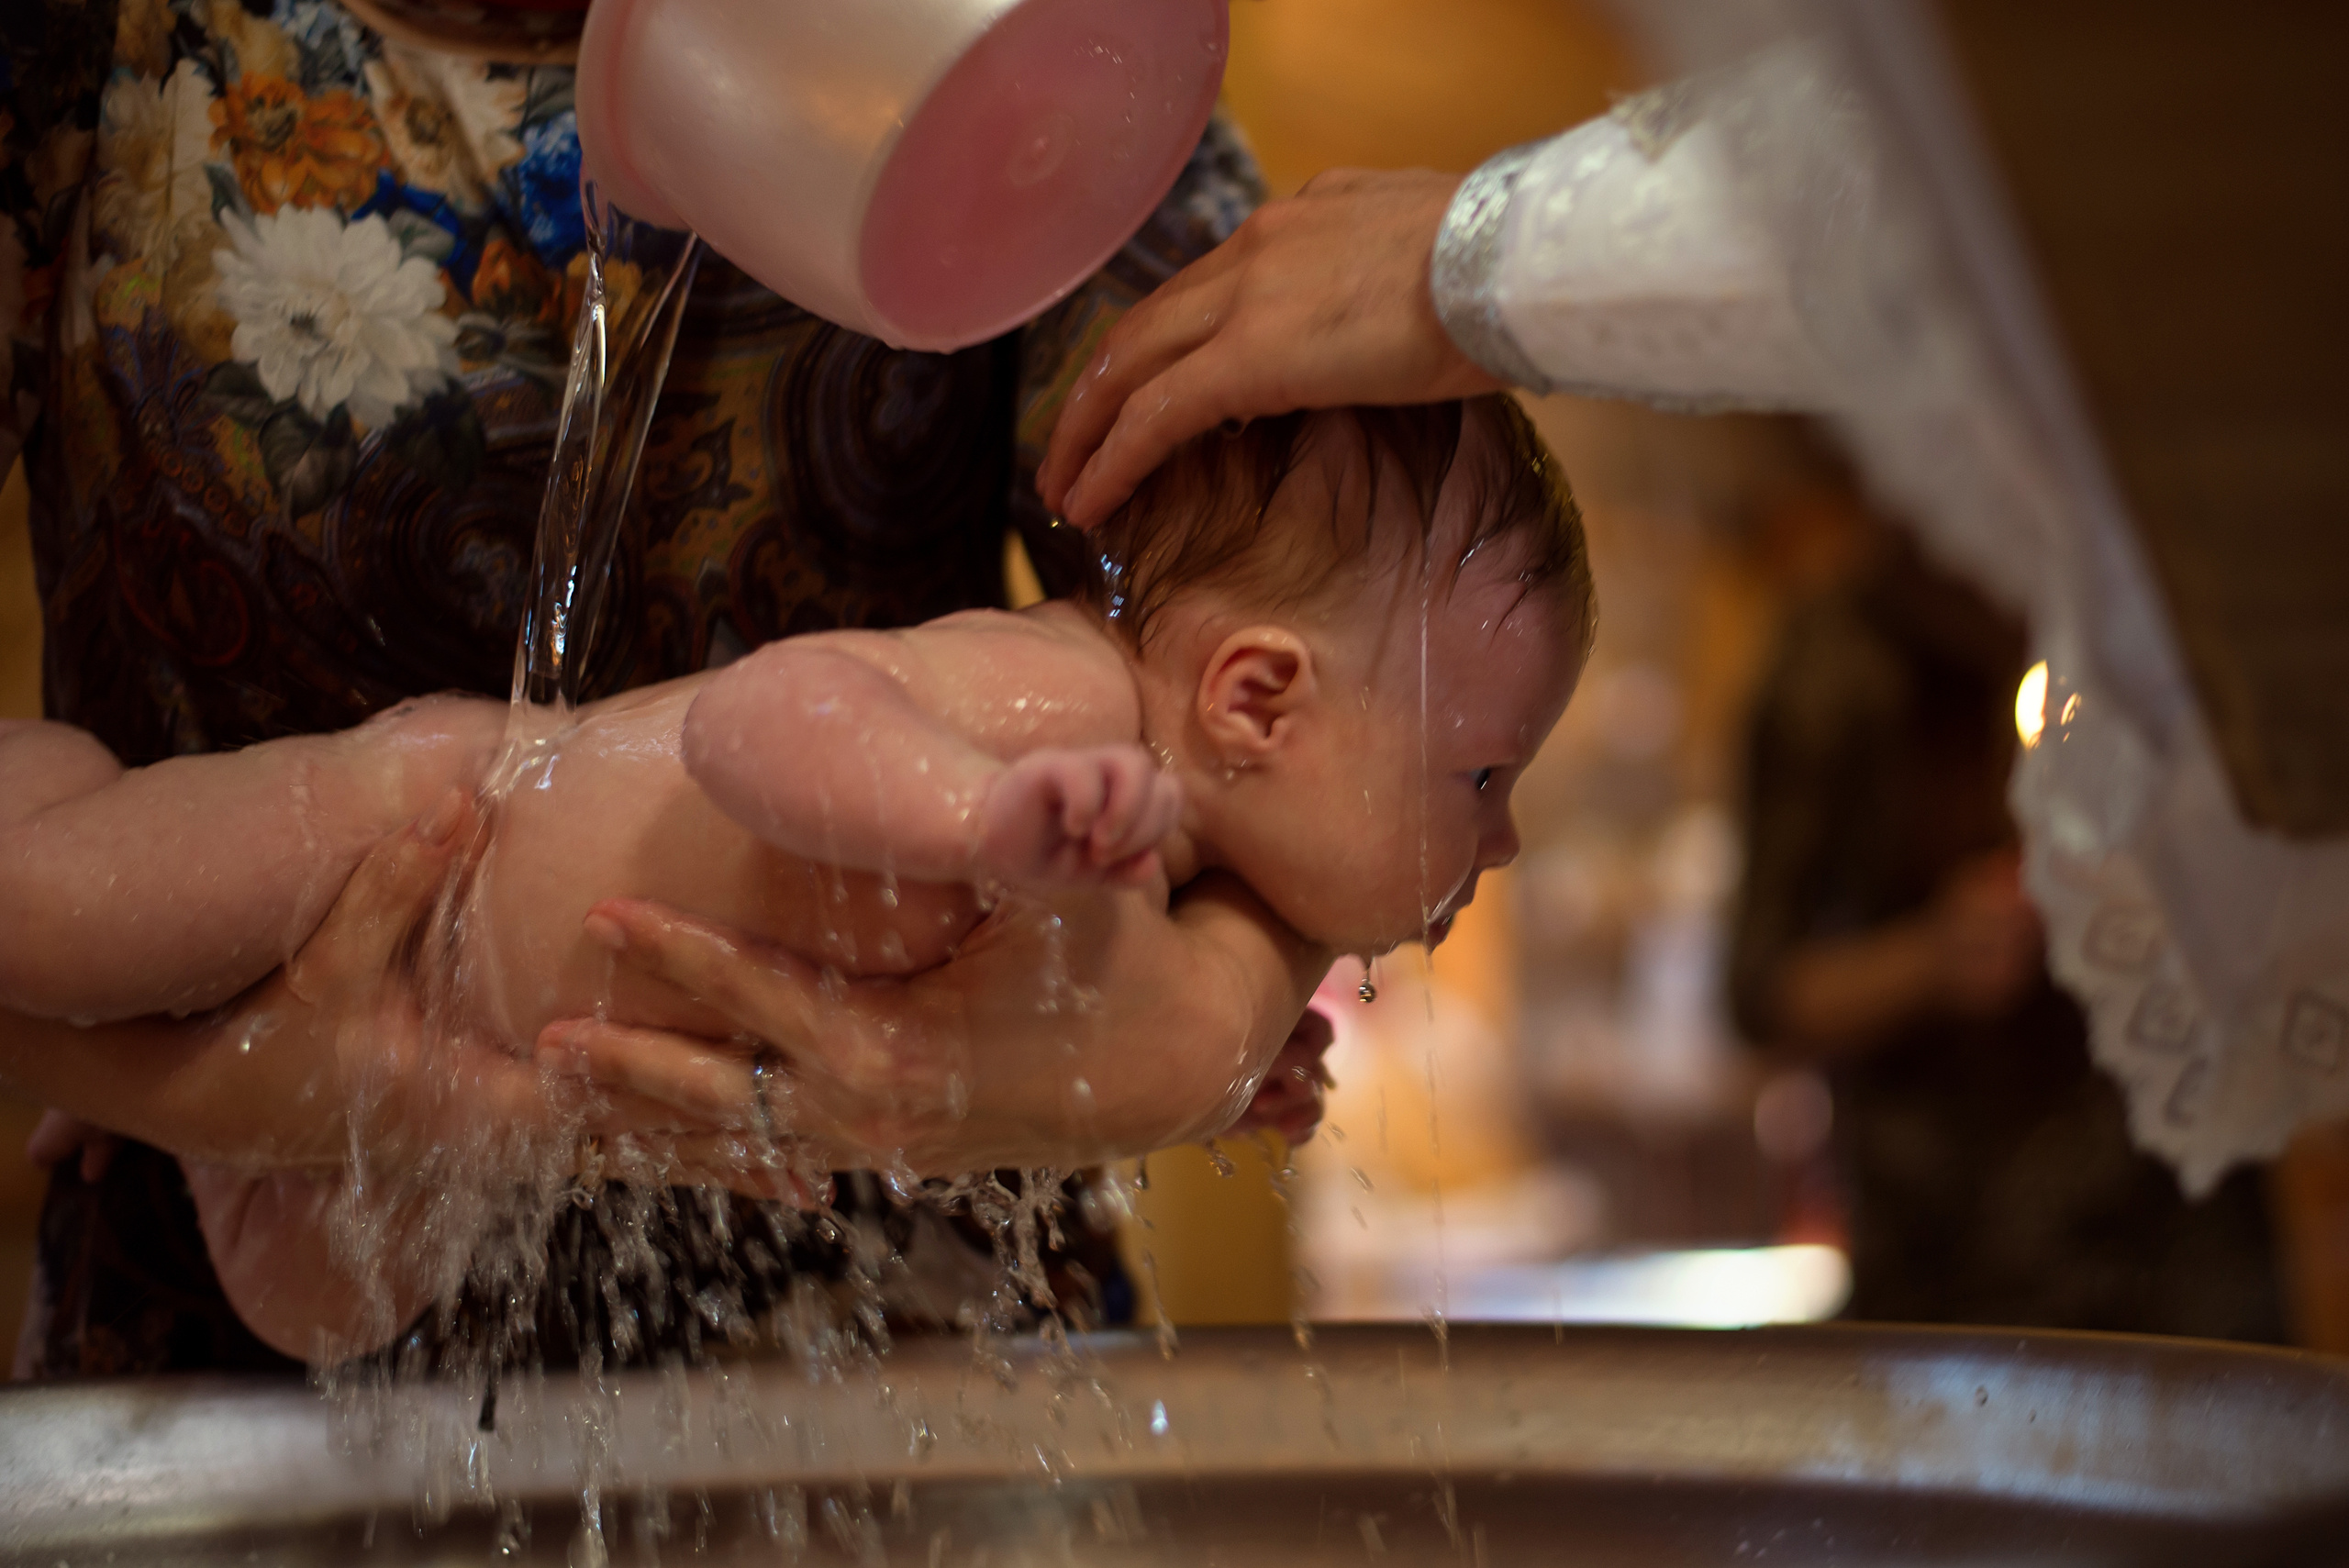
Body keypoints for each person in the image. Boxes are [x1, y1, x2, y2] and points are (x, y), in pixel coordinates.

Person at [0, 0, 1315, 1376]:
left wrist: (1215, 1010)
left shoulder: (1001, 37)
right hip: (245, 1350)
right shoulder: (95, 50)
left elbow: (1344, 647)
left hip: (915, 1331)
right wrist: (193, 1080)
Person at [1, 395, 1588, 1188]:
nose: (1500, 834)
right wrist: (971, 809)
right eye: (1482, 771)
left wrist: (1221, 1066)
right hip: (397, 830)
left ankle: (155, 1065)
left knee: (310, 1285)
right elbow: (762, 720)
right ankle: (44, 794)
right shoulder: (1060, 703)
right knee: (40, 911)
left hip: (447, 1076)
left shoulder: (1155, 853)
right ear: (1256, 697)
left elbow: (1110, 1022)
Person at [1726, 467, 2282, 1338]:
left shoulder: (2141, 623)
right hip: (1954, 1268)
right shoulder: (1831, 664)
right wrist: (1932, 958)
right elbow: (1760, 993)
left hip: (2184, 1244)